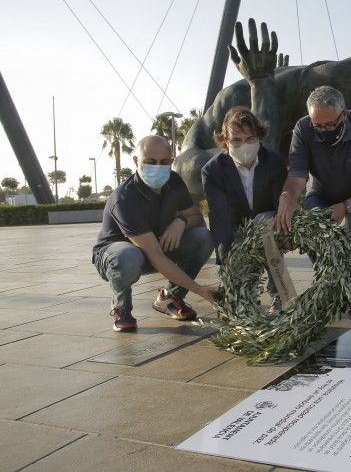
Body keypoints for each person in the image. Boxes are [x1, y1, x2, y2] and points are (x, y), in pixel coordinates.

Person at [275, 85, 351, 312]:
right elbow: (297, 176)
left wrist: (346, 206)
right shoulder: (303, 128)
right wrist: (288, 195)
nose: (323, 130)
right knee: (311, 221)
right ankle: (329, 280)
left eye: (329, 125)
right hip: (323, 193)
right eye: (317, 125)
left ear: (344, 115)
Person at [92, 135, 217, 332]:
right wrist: (200, 290)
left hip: (155, 244)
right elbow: (155, 256)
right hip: (117, 256)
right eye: (150, 161)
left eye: (164, 162)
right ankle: (121, 307)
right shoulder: (124, 198)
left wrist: (181, 221)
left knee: (203, 238)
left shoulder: (174, 181)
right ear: (136, 161)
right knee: (128, 256)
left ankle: (170, 298)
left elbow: (196, 218)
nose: (158, 167)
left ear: (172, 161)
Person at [201, 106, 287, 311]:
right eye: (236, 140)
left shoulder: (273, 161)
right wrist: (226, 258)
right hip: (235, 230)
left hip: (268, 224)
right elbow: (219, 216)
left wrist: (285, 233)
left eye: (250, 139)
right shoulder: (212, 171)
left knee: (265, 222)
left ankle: (282, 294)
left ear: (259, 137)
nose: (244, 145)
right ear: (225, 141)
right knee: (239, 300)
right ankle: (243, 296)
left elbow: (280, 203)